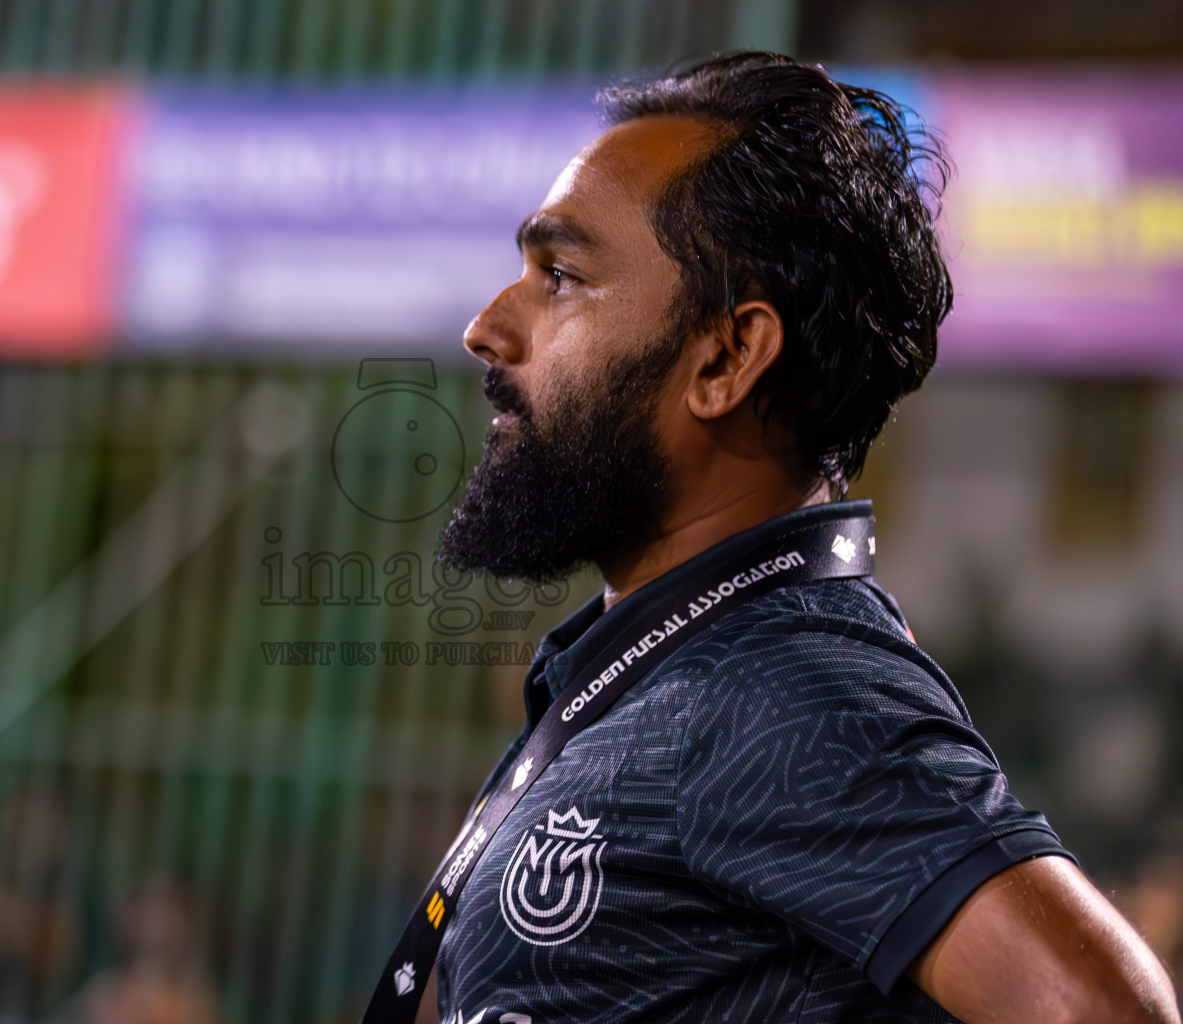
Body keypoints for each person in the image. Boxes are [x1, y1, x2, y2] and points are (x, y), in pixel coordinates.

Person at [420, 53, 1181, 1023]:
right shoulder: (666, 666)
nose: (489, 326)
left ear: (728, 357)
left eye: (560, 276)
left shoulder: (786, 689)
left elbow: (1103, 1010)